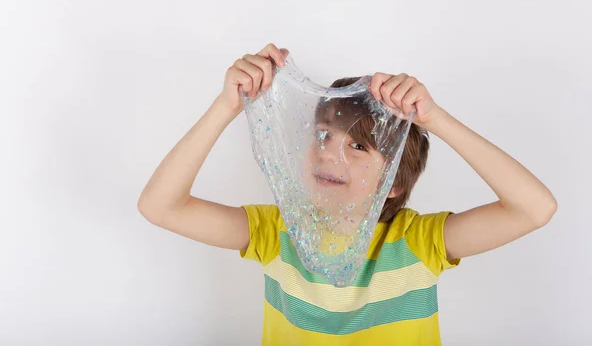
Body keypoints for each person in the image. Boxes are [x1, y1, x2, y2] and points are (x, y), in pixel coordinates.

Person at [137, 43, 557, 345]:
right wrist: (227, 105)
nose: (328, 153)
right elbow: (160, 206)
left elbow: (535, 209)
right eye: (323, 135)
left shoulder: (418, 243)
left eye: (358, 146)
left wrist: (436, 119)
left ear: (393, 181)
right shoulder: (275, 232)